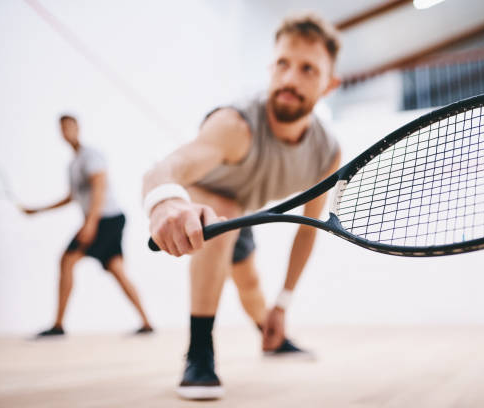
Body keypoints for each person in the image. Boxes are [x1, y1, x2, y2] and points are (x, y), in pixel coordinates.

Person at [142, 13, 341, 400]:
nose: (289, 79)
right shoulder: (236, 125)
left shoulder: (326, 152)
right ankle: (199, 353)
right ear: (270, 67)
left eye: (307, 70)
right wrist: (165, 201)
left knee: (251, 286)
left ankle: (271, 335)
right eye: (282, 64)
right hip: (203, 205)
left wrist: (283, 303)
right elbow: (166, 168)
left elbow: (307, 229)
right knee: (223, 213)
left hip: (244, 209)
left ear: (329, 85)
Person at [23, 115, 153, 337]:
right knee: (116, 269)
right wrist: (39, 210)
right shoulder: (72, 164)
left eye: (69, 127)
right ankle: (147, 323)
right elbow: (73, 197)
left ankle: (58, 325)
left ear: (77, 128)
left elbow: (99, 188)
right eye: (62, 129)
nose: (66, 132)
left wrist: (90, 223)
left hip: (106, 219)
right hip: (107, 219)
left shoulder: (91, 156)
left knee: (67, 260)